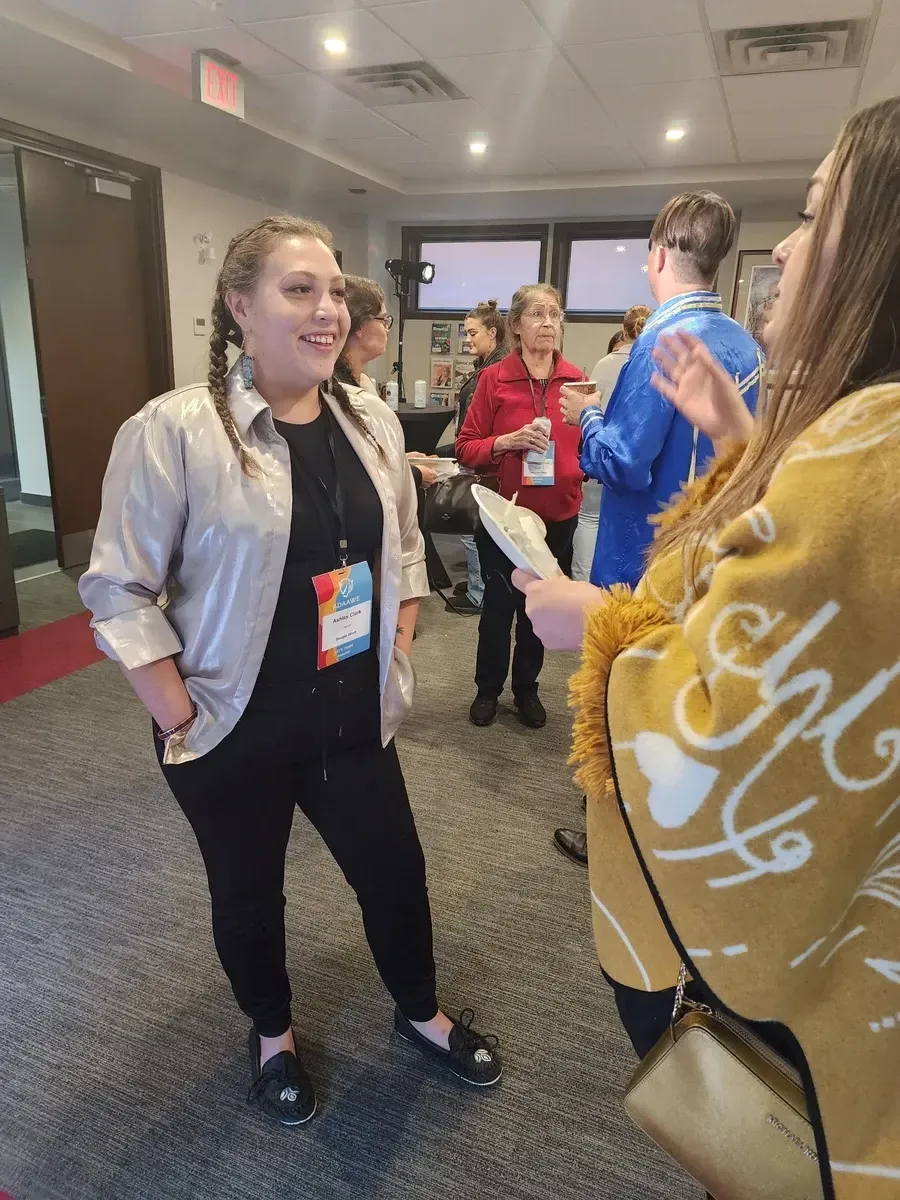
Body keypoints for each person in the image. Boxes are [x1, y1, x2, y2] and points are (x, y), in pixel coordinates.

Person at [515, 97, 900, 1198]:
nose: (785, 244)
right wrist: (738, 437)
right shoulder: (806, 401)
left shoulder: (867, 454)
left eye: (819, 211)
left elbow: (736, 730)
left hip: (803, 972)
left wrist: (602, 626)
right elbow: (794, 576)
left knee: (768, 1133)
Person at [79, 216, 502, 1128]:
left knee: (394, 871)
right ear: (240, 306)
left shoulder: (372, 420)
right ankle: (272, 1035)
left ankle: (420, 1012)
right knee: (246, 890)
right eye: (298, 289)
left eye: (335, 290)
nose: (327, 308)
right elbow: (118, 588)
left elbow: (403, 549)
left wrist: (395, 646)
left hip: (350, 717)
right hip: (232, 721)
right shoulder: (176, 429)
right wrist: (179, 712)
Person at [554, 193, 763, 867]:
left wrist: (585, 417)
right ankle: (678, 829)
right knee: (685, 690)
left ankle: (618, 839)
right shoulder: (744, 343)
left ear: (659, 253)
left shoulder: (661, 342)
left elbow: (624, 462)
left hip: (644, 554)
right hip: (716, 554)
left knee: (625, 692)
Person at [456, 284, 583, 729]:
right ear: (515, 326)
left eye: (555, 314)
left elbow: (587, 446)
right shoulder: (494, 379)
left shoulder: (576, 380)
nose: (548, 323)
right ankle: (487, 689)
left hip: (558, 517)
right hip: (506, 521)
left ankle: (526, 689)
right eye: (537, 314)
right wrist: (505, 443)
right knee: (497, 610)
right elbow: (465, 448)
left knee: (540, 613)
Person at [571, 306, 651, 583]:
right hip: (638, 462)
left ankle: (582, 587)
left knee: (589, 520)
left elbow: (589, 407)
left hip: (599, 453)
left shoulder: (604, 365)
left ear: (623, 327)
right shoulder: (654, 362)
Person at [448, 300, 508, 616]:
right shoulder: (487, 367)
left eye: (473, 333)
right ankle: (479, 583)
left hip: (481, 458)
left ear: (492, 333)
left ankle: (477, 593)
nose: (468, 339)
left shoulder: (494, 372)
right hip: (479, 454)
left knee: (473, 526)